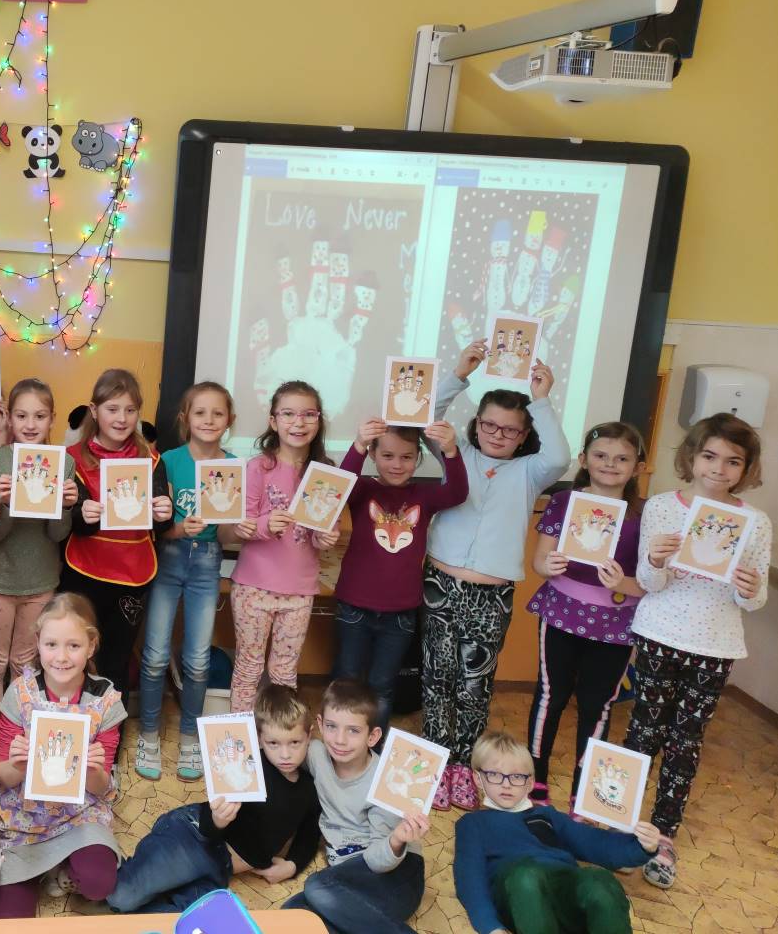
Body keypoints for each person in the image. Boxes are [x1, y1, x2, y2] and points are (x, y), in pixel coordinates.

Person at [623, 413, 771, 888]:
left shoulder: (755, 523)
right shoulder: (663, 507)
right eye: (709, 456)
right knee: (643, 733)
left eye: (733, 461)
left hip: (714, 645)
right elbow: (649, 583)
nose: (718, 469)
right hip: (658, 634)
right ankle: (622, 824)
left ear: (746, 468)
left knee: (685, 743)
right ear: (692, 456)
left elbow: (753, 600)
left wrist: (749, 589)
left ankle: (664, 835)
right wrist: (655, 559)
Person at [425, 342, 569, 810]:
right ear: (476, 424)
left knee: (475, 684)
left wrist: (541, 399)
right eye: (489, 424)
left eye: (510, 429)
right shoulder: (457, 453)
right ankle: (437, 767)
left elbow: (560, 457)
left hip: (491, 597)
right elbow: (428, 417)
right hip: (440, 586)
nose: (498, 434)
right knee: (437, 678)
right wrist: (459, 373)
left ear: (524, 435)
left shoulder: (531, 471)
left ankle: (465, 766)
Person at [110, 684, 321, 913]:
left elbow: (310, 833)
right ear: (259, 739)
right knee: (121, 897)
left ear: (309, 735)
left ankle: (161, 882)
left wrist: (292, 865)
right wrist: (218, 820)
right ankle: (114, 864)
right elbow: (210, 828)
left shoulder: (309, 789)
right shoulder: (247, 764)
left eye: (294, 742)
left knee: (189, 921)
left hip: (220, 868)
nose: (285, 754)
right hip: (196, 836)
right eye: (274, 743)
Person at [525, 422, 646, 808]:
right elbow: (539, 561)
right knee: (551, 695)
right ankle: (536, 779)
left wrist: (624, 582)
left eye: (622, 458)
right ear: (583, 460)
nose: (610, 464)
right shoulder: (564, 502)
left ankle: (585, 788)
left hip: (616, 623)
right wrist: (548, 566)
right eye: (601, 456)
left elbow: (650, 583)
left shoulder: (645, 514)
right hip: (561, 612)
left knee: (598, 704)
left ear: (638, 467)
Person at [0, 592, 128, 918]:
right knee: (7, 918)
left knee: (98, 883)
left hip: (79, 813)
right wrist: (17, 764)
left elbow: (100, 787)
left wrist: (93, 770)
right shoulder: (19, 693)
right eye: (51, 644)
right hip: (25, 818)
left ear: (91, 646)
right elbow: (4, 777)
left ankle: (65, 866)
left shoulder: (105, 700)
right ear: (38, 643)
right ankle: (42, 868)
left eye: (74, 645)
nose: (61, 657)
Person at [454, 730, 660, 934]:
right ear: (478, 778)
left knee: (599, 880)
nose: (506, 784)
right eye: (494, 775)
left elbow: (595, 842)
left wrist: (641, 846)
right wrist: (490, 926)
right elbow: (469, 878)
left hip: (562, 886)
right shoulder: (472, 823)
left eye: (516, 776)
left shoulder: (546, 815)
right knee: (525, 876)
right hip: (518, 893)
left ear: (530, 783)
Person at [333, 417, 467, 726]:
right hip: (354, 607)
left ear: (418, 457)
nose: (397, 464)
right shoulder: (363, 490)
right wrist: (358, 445)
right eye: (387, 455)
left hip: (401, 613)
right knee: (347, 679)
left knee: (382, 685)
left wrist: (450, 451)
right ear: (373, 454)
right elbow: (339, 488)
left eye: (407, 457)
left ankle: (374, 744)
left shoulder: (424, 495)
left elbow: (458, 492)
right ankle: (339, 739)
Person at [136, 381, 236, 781]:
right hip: (169, 559)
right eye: (200, 412)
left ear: (229, 420)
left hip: (207, 564)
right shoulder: (167, 461)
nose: (209, 420)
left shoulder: (233, 466)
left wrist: (236, 526)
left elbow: (227, 535)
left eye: (218, 413)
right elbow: (156, 529)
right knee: (155, 655)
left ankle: (191, 736)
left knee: (197, 660)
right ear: (185, 418)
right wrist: (180, 529)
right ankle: (148, 733)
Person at [225, 380, 339, 712]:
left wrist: (325, 537)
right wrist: (264, 525)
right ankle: (242, 737)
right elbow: (239, 526)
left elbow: (321, 530)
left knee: (284, 674)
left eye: (308, 414)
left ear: (318, 420)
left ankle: (278, 737)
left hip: (299, 591)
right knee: (248, 669)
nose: (298, 422)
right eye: (288, 414)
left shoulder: (324, 473)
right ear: (273, 421)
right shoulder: (258, 467)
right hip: (253, 588)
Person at [281, 679, 428, 932]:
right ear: (320, 725)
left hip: (396, 871)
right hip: (349, 876)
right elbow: (283, 754)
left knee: (317, 887)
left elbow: (380, 863)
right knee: (292, 912)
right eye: (332, 727)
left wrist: (397, 839)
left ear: (372, 736)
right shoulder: (316, 754)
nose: (340, 740)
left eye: (353, 731)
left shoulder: (386, 781)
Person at [63, 368, 173, 698]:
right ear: (94, 411)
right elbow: (69, 522)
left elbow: (160, 525)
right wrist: (82, 514)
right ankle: (70, 725)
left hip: (133, 575)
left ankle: (111, 731)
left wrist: (164, 514)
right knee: (74, 657)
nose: (122, 418)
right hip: (83, 571)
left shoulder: (152, 460)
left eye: (130, 410)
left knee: (117, 660)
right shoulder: (71, 459)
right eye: (112, 409)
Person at [0, 379, 78, 715]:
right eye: (21, 416)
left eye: (40, 416)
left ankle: (17, 733)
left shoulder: (63, 463)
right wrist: (4, 502)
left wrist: (65, 506)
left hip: (41, 581)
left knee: (24, 664)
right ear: (9, 418)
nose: (30, 424)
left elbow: (57, 534)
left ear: (52, 419)